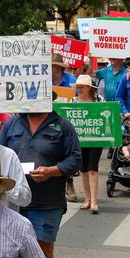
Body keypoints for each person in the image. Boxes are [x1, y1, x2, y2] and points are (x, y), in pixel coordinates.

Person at [0, 109, 81, 258]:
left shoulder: (62, 125)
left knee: (41, 252)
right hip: (14, 202)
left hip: (47, 201)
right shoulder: (12, 123)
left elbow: (75, 159)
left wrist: (52, 171)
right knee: (11, 251)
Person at [72, 75, 103, 214]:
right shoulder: (72, 101)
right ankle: (87, 199)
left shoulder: (99, 100)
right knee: (83, 169)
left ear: (89, 88)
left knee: (92, 169)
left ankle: (94, 201)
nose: (79, 90)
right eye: (78, 88)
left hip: (95, 137)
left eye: (82, 87)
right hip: (78, 139)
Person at [51, 53, 78, 202]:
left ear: (60, 68)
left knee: (67, 153)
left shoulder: (71, 81)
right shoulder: (46, 81)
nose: (52, 68)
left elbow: (77, 99)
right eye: (51, 66)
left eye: (54, 66)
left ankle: (70, 183)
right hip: (50, 121)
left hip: (67, 122)